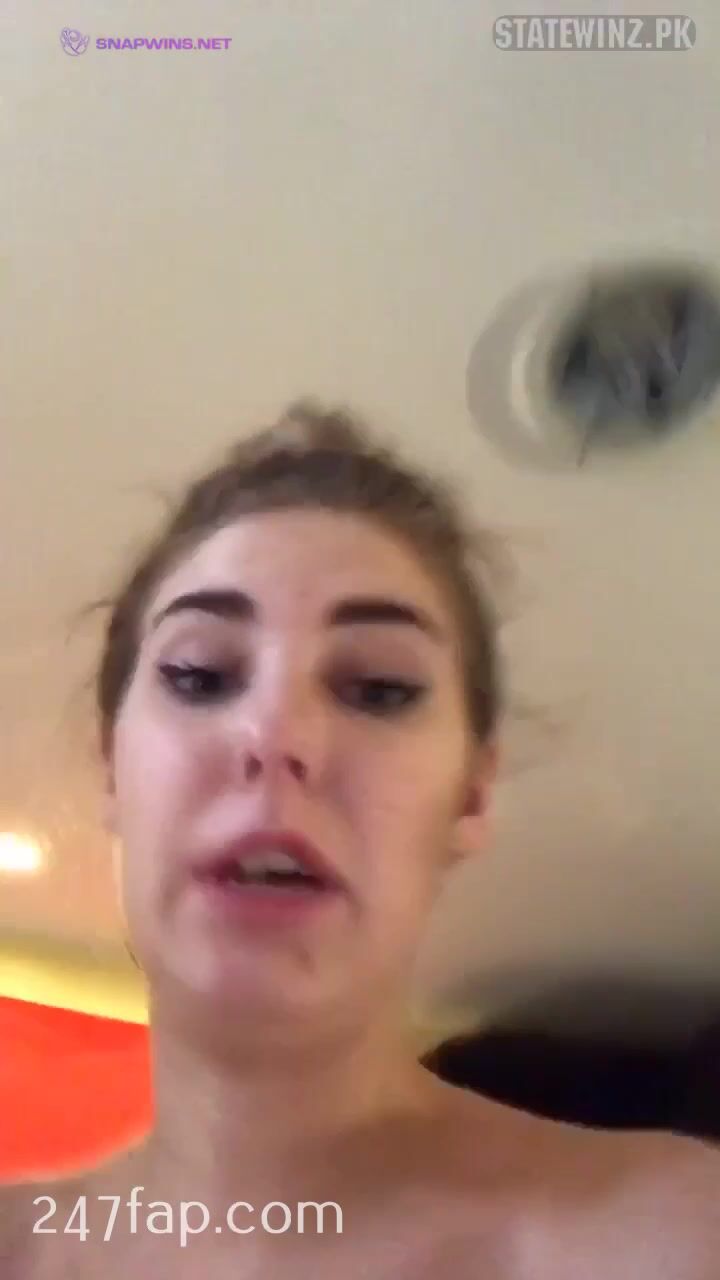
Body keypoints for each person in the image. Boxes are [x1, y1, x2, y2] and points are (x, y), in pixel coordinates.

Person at [1, 401, 718, 1279]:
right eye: (200, 675)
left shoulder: (675, 1239)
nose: (276, 733)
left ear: (470, 794)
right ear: (113, 767)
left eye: (379, 689)